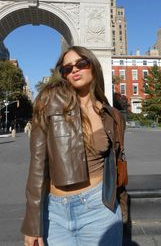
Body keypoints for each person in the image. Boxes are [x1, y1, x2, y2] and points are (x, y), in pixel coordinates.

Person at [21, 46, 127, 246]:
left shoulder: (112, 115)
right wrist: (32, 224)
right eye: (67, 69)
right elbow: (37, 166)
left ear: (93, 65)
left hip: (99, 207)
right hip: (55, 213)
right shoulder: (49, 101)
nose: (74, 70)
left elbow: (117, 167)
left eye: (81, 64)